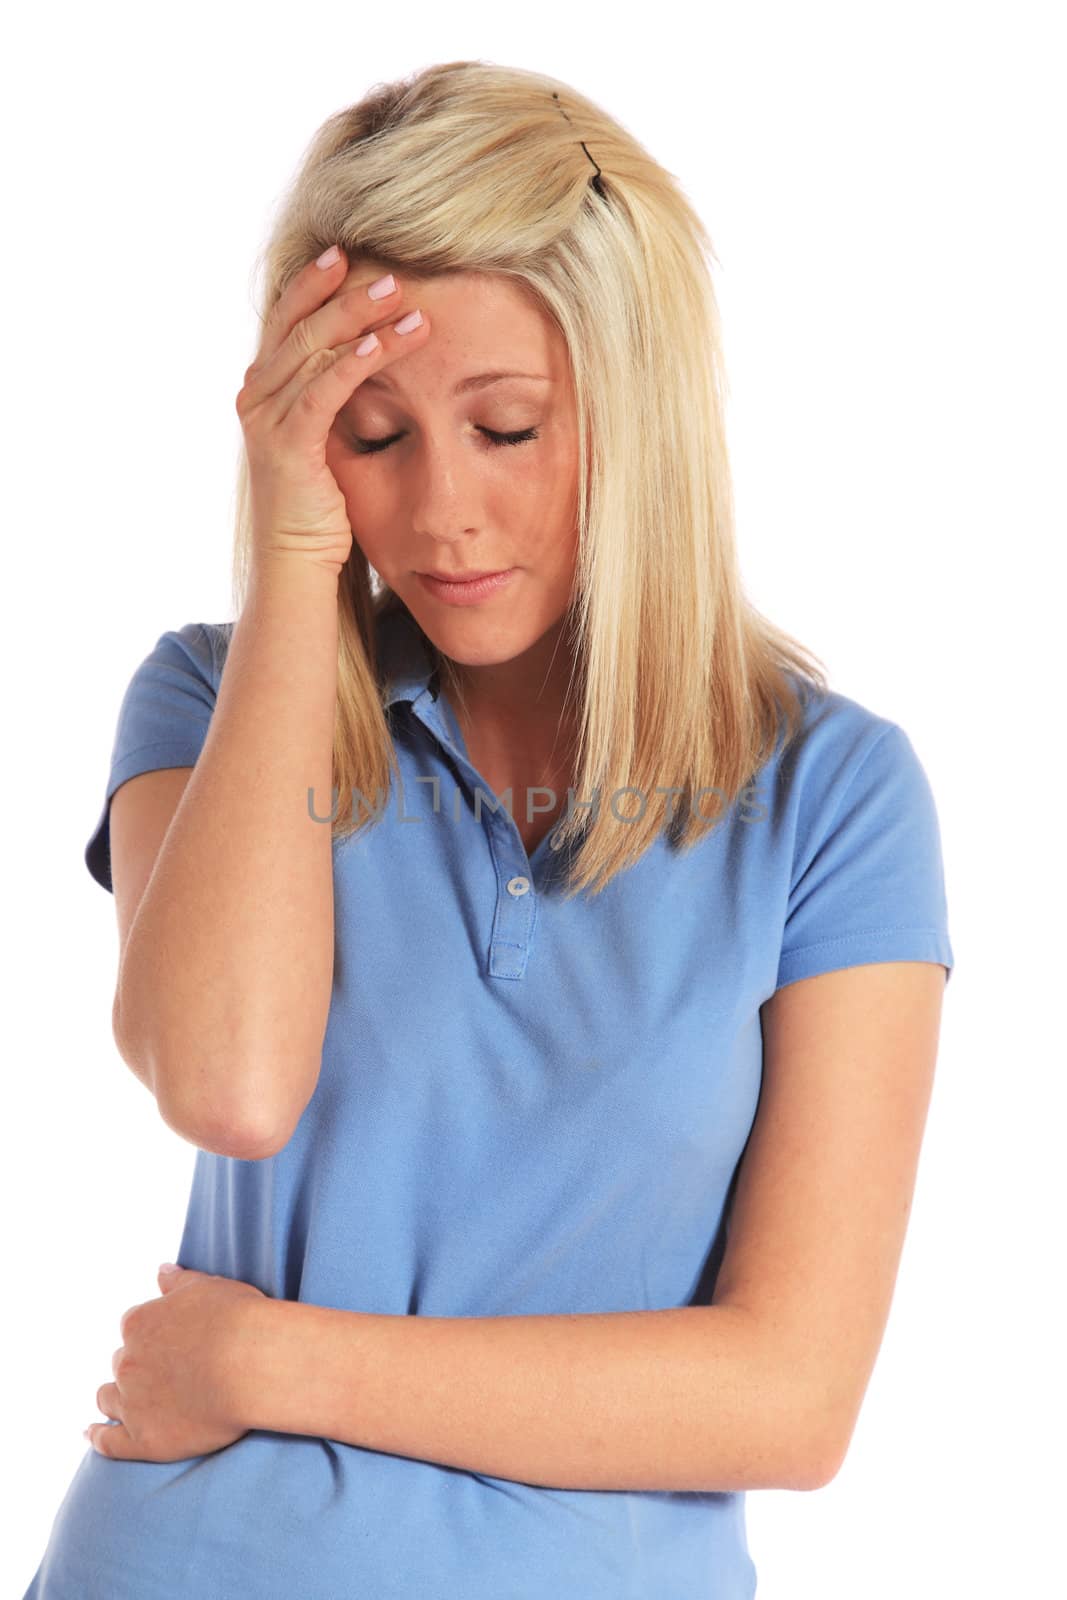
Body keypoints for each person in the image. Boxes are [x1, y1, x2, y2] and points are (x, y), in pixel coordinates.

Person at [23, 60, 954, 1600]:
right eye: (374, 436)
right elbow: (231, 1084)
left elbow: (790, 1399)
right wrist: (295, 560)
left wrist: (265, 1360)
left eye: (508, 429)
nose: (441, 513)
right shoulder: (209, 701)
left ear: (634, 413)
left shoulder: (832, 800)